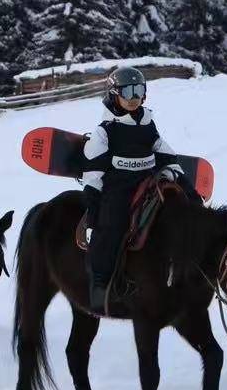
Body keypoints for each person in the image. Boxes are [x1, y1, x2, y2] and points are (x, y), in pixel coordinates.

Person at [80, 66, 187, 315]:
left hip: (148, 182)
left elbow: (163, 151)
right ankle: (100, 283)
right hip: (118, 187)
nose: (133, 97)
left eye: (139, 91)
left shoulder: (148, 125)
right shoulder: (105, 131)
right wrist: (94, 203)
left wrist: (172, 171)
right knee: (112, 226)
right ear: (114, 94)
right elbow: (94, 170)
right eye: (127, 91)